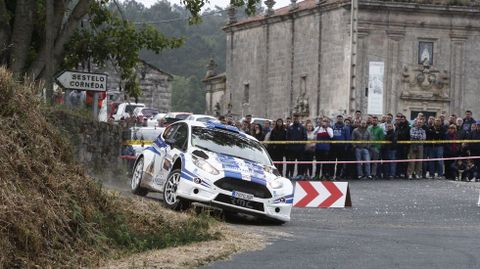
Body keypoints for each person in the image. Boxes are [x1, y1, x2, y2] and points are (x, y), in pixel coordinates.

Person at [286, 114, 307, 179]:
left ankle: (299, 174)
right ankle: (291, 175)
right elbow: (287, 137)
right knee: (291, 163)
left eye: (297, 118)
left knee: (300, 163)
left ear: (299, 119)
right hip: (291, 149)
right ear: (293, 119)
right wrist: (289, 145)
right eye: (294, 118)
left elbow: (305, 137)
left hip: (300, 149)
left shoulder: (302, 127)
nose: (296, 119)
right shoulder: (290, 127)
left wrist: (301, 145)